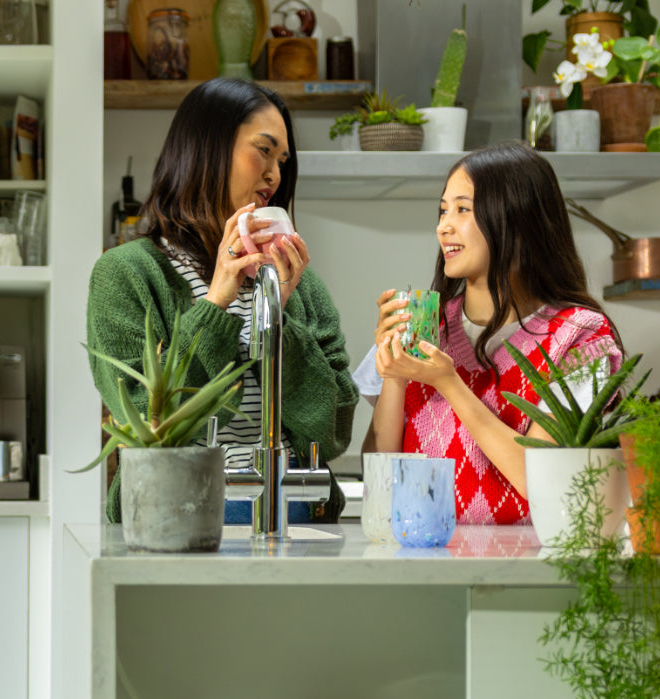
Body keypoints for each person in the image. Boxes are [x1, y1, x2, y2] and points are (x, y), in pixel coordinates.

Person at [86, 77, 358, 523]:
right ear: (207, 149)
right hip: (176, 516)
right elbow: (145, 418)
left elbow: (332, 433)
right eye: (263, 150)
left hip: (295, 512)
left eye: (282, 160)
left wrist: (279, 318)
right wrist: (216, 302)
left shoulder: (299, 285)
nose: (274, 173)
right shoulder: (127, 274)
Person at [355, 142, 623, 525]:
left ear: (518, 220)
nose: (443, 225)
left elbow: (543, 482)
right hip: (422, 557)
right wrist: (394, 374)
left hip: (526, 567)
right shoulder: (423, 325)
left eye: (463, 209)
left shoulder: (581, 338)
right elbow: (380, 482)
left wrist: (449, 383)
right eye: (443, 210)